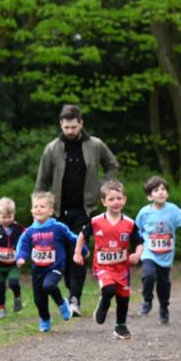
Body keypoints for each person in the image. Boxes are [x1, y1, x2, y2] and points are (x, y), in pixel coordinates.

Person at [35, 104, 120, 317]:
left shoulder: (95, 145)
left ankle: (75, 299)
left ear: (81, 123)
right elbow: (42, 181)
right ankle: (70, 291)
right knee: (62, 255)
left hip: (86, 210)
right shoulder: (52, 149)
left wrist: (106, 187)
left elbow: (112, 165)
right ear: (60, 125)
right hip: (58, 212)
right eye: (66, 127)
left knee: (79, 253)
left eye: (73, 126)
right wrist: (40, 210)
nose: (70, 131)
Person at [75, 181, 143, 339]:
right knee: (109, 289)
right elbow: (82, 236)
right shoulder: (95, 221)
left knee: (123, 298)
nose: (116, 202)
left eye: (119, 198)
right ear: (103, 201)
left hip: (122, 269)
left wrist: (137, 254)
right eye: (111, 199)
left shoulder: (130, 224)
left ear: (124, 200)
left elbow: (139, 242)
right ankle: (104, 304)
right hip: (103, 267)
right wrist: (77, 253)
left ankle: (120, 327)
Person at [16, 191, 86, 333]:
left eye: (42, 206)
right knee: (38, 299)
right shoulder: (29, 231)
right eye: (35, 207)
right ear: (31, 211)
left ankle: (62, 303)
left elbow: (73, 238)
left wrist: (83, 250)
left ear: (51, 211)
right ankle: (45, 319)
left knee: (49, 285)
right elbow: (22, 246)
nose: (38, 209)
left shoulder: (58, 228)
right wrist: (21, 257)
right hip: (37, 270)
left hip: (55, 266)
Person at [135, 176, 181, 324]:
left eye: (163, 189)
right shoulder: (145, 212)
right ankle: (147, 301)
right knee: (149, 275)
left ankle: (164, 308)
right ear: (149, 196)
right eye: (156, 190)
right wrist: (137, 248)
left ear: (167, 193)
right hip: (149, 252)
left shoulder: (172, 210)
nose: (160, 192)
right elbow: (136, 230)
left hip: (166, 255)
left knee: (163, 284)